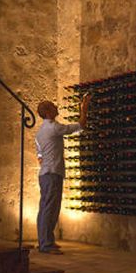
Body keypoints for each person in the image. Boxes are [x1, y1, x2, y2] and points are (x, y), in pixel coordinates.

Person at [35, 93, 91, 253]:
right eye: (53, 106)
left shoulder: (40, 132)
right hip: (52, 174)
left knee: (45, 208)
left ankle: (45, 241)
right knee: (50, 209)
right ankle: (46, 245)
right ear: (47, 112)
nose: (57, 107)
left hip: (45, 174)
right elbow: (80, 126)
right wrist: (84, 108)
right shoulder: (53, 127)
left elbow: (39, 155)